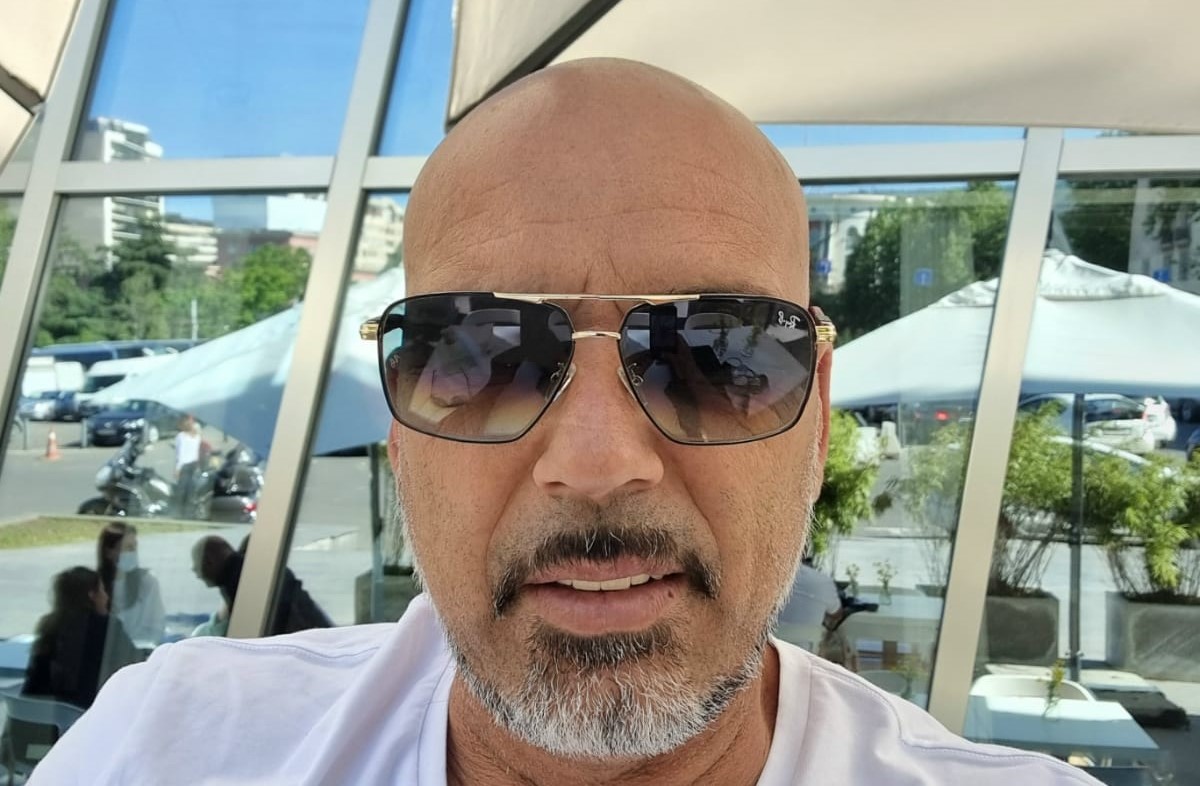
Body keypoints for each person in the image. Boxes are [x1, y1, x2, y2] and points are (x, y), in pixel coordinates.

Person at [32, 60, 1101, 785]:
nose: (596, 464)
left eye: (718, 355)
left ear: (816, 423)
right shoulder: (165, 747)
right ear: (401, 429)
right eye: (482, 354)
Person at [23, 567, 142, 709]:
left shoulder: (49, 628)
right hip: (88, 715)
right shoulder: (107, 628)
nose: (106, 597)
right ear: (92, 595)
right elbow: (135, 668)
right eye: (103, 590)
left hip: (39, 717)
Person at [189, 534, 333, 636]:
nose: (195, 571)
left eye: (197, 564)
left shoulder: (242, 579)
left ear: (210, 561)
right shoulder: (245, 572)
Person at [96, 521, 165, 645]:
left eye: (135, 547)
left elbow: (157, 628)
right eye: (128, 548)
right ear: (108, 552)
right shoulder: (96, 584)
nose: (133, 552)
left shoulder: (148, 582)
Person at [173, 413, 203, 514]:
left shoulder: (181, 436)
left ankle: (180, 512)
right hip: (192, 466)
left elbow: (180, 454)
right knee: (189, 490)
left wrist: (177, 468)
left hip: (185, 466)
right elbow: (195, 453)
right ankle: (186, 512)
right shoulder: (196, 437)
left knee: (182, 490)